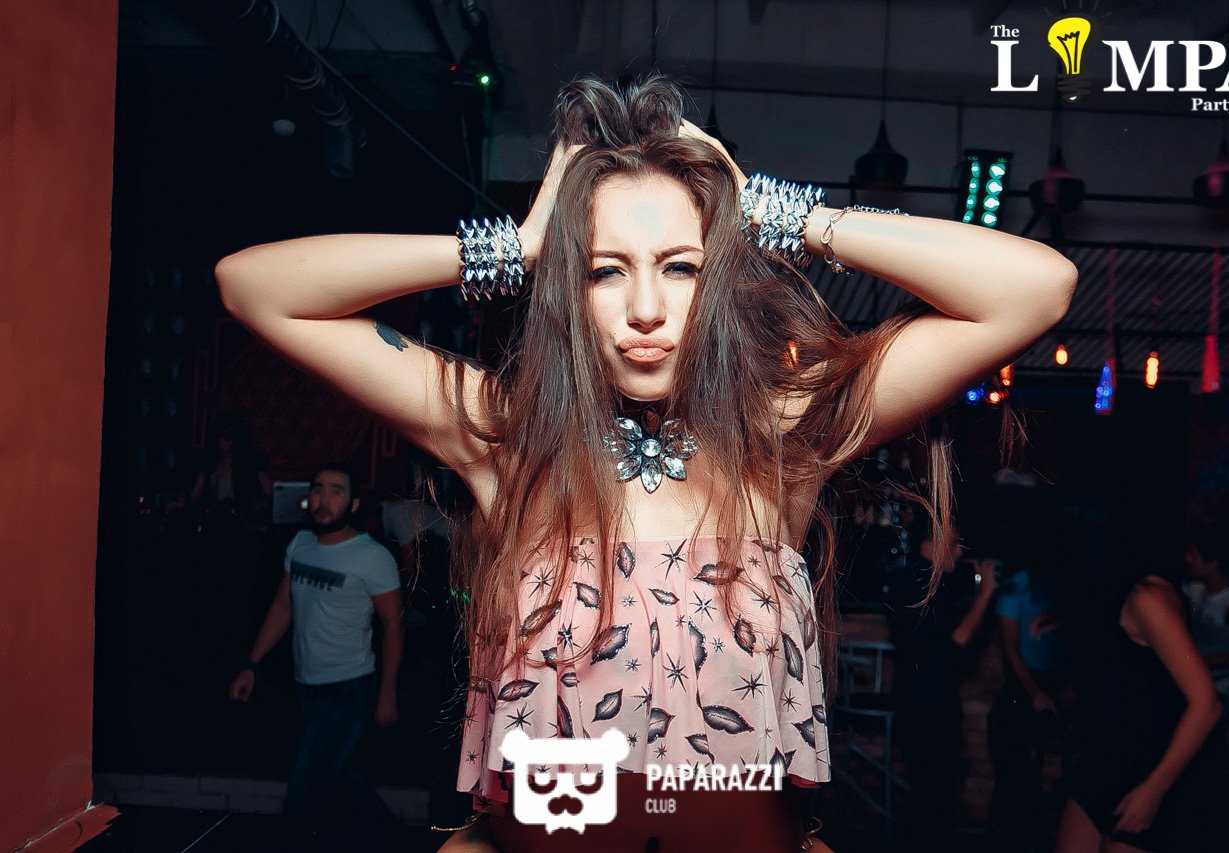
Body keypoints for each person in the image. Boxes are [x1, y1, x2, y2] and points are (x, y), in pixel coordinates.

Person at [215, 76, 1076, 851]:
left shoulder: (781, 435)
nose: (645, 308)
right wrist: (515, 246)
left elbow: (1034, 290)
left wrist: (775, 213)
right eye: (604, 271)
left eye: (681, 266)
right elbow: (256, 288)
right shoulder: (508, 436)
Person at [228, 464, 404, 823]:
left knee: (303, 792)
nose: (324, 499)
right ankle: (392, 835)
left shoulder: (372, 557)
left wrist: (387, 692)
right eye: (318, 489)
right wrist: (251, 665)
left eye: (336, 491)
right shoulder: (301, 544)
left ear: (354, 504)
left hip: (349, 688)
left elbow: (394, 626)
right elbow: (283, 607)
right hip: (305, 684)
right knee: (334, 778)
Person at [1055, 563, 1222, 853]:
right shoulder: (1108, 593)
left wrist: (1154, 789)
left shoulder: (1149, 598)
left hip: (1145, 770)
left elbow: (1207, 702)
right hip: (1101, 764)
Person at [888, 524, 999, 849]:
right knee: (933, 798)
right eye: (953, 544)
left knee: (931, 796)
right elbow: (956, 640)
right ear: (931, 544)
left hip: (924, 700)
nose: (959, 552)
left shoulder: (921, 580)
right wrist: (986, 595)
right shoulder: (921, 584)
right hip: (927, 704)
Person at [987, 559, 1069, 850]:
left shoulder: (1069, 584)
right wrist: (1035, 692)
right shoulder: (1018, 584)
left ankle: (1029, 830)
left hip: (1059, 682)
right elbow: (1010, 647)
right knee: (1008, 743)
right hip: (1028, 682)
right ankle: (1015, 831)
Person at [1182, 525, 1229, 707]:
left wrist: (1196, 661)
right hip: (1189, 674)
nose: (1187, 559)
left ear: (1213, 563)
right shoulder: (1193, 587)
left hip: (1219, 684)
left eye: (1193, 555)